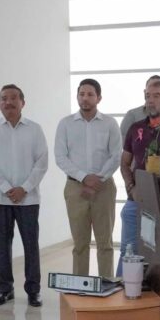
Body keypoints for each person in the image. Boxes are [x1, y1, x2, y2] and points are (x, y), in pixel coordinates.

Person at [0, 84, 49, 308]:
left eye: (13, 98)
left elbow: (42, 162)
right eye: (4, 99)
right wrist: (6, 188)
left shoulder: (34, 129)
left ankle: (33, 290)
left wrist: (24, 188)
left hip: (28, 200)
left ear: (22, 102)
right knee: (3, 245)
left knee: (31, 245)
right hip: (0, 199)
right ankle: (5, 289)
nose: (8, 102)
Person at [54, 78, 121, 280]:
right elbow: (60, 157)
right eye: (81, 94)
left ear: (99, 98)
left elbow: (115, 155)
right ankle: (79, 287)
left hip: (104, 187)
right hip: (75, 188)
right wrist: (84, 178)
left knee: (105, 243)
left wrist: (97, 179)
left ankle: (106, 285)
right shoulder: (66, 124)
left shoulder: (110, 123)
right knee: (80, 244)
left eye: (90, 94)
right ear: (77, 96)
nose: (85, 98)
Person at [118, 79, 160, 275]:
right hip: (136, 200)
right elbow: (124, 163)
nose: (150, 100)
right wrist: (131, 187)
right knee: (128, 251)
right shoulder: (136, 128)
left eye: (156, 96)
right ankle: (124, 289)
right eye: (148, 96)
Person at [119, 74, 160, 140]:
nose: (153, 91)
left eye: (157, 88)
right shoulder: (132, 115)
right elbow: (122, 140)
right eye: (150, 88)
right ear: (145, 92)